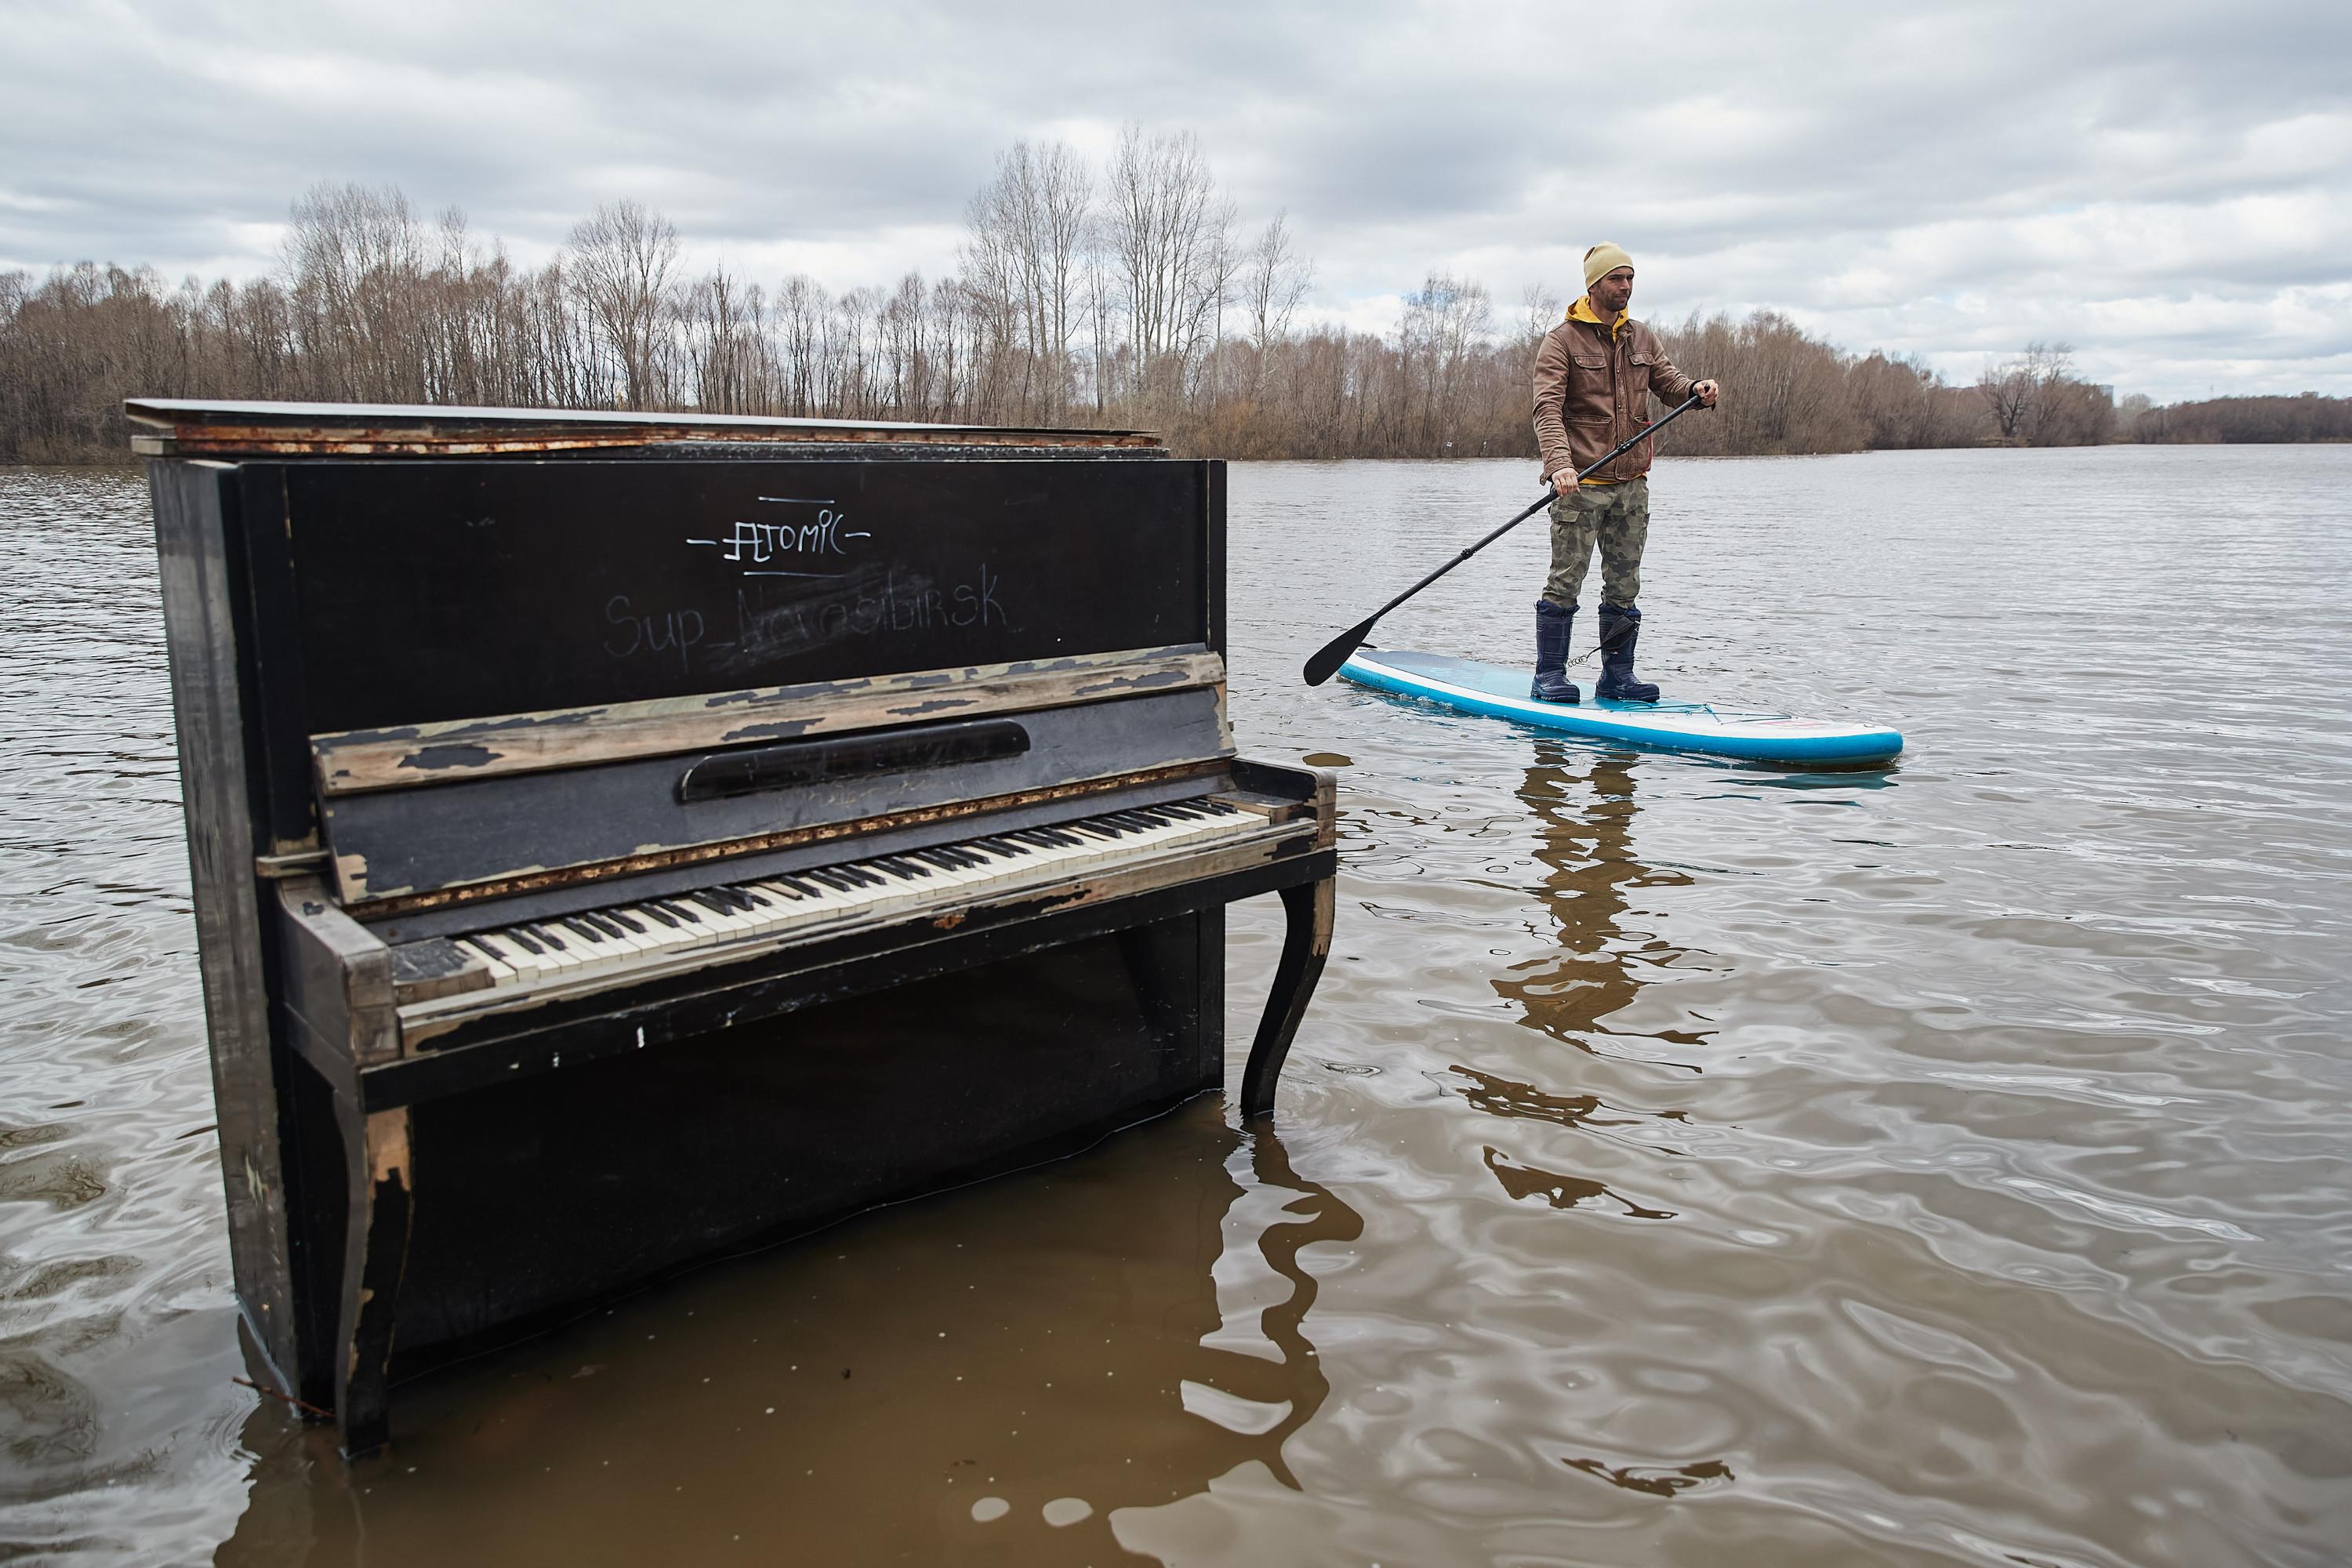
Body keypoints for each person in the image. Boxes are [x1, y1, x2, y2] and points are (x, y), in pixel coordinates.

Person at [1528, 243, 1718, 704]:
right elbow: (1546, 409)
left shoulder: (1641, 337)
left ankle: (1617, 678)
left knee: (1625, 583)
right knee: (1566, 581)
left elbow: (1669, 384)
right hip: (1580, 485)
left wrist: (1696, 389)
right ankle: (1549, 676)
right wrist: (1560, 467)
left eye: (1631, 278)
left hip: (1632, 487)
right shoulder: (1561, 341)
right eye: (1617, 278)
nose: (1626, 286)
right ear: (1593, 285)